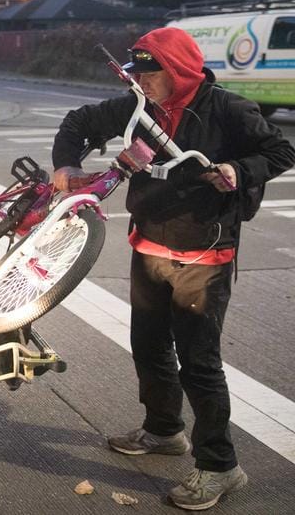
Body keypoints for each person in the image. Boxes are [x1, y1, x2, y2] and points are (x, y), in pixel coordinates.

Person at [51, 26, 295, 511]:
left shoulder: (227, 108)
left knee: (199, 363)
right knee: (148, 345)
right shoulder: (138, 107)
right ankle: (164, 431)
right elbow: (79, 121)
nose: (139, 80)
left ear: (178, 69)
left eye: (149, 71)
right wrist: (64, 165)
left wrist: (238, 172)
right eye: (135, 71)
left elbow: (281, 150)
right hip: (149, 245)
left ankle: (221, 467)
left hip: (204, 255)